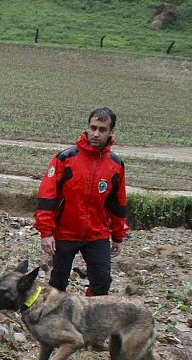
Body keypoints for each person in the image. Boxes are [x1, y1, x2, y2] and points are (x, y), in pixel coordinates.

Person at [35, 107, 129, 296]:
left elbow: (117, 204)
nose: (96, 133)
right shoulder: (66, 158)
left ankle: (87, 320)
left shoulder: (115, 165)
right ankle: (54, 322)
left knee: (102, 284)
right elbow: (47, 196)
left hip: (97, 234)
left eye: (102, 129)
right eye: (93, 128)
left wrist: (118, 235)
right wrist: (46, 231)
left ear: (110, 132)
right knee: (57, 283)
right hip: (66, 232)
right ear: (87, 128)